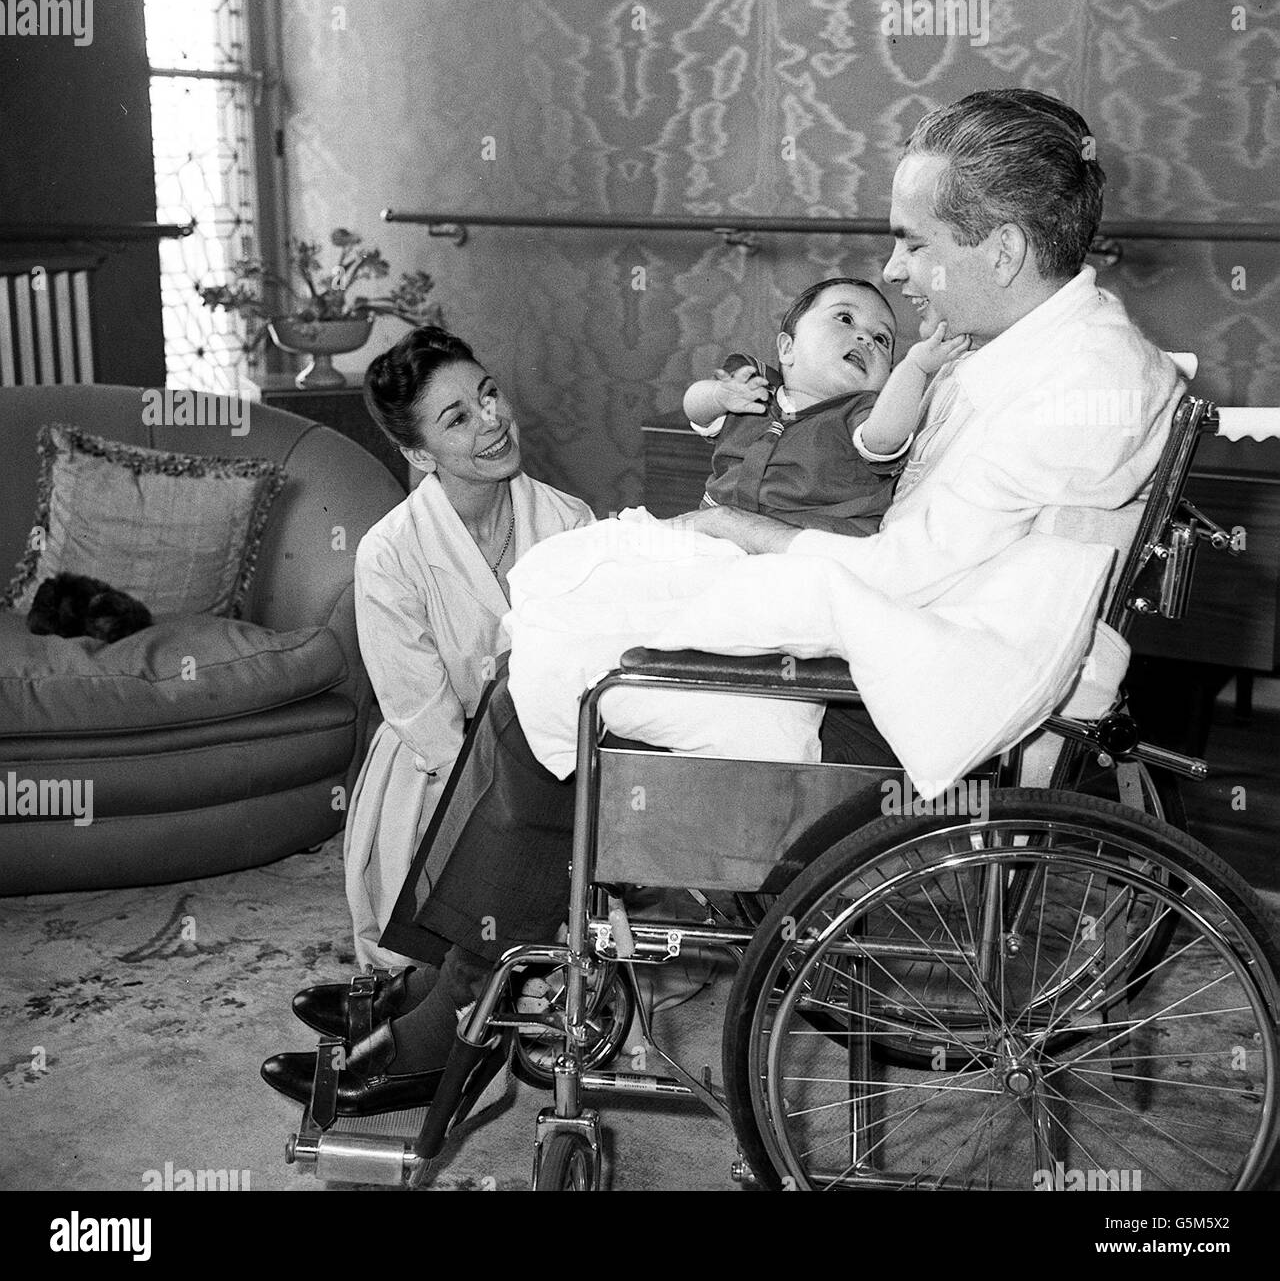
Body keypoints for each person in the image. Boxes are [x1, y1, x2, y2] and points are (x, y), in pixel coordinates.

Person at [263, 88, 1189, 1116]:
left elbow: (897, 578)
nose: (893, 272)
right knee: (565, 637)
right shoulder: (1045, 353)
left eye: (913, 245)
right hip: (901, 653)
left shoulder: (1069, 384)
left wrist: (745, 540)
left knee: (572, 670)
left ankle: (445, 1021)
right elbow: (907, 551)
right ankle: (444, 995)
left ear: (1004, 248)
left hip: (896, 716)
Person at [295, 326, 593, 1037]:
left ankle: (422, 1009)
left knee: (530, 870)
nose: (491, 419)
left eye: (488, 394)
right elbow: (423, 717)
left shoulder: (570, 521)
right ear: (419, 453)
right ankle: (424, 993)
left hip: (551, 753)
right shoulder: (389, 553)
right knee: (478, 860)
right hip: (438, 766)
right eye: (458, 417)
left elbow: (589, 670)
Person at [683, 276, 970, 535]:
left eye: (882, 339)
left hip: (806, 551)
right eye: (845, 318)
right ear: (787, 348)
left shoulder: (861, 413)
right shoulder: (752, 392)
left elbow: (885, 437)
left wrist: (915, 368)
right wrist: (720, 395)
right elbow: (694, 409)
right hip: (717, 542)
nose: (866, 339)